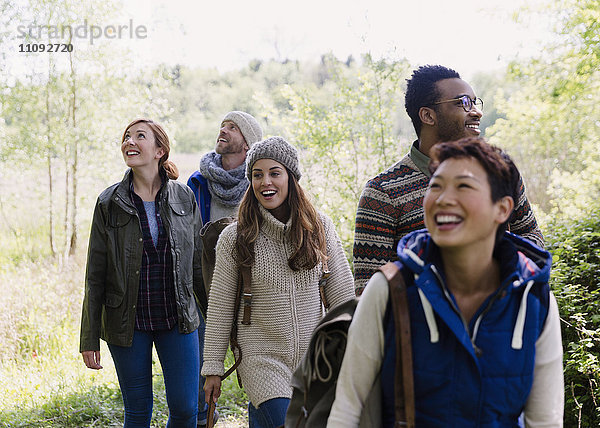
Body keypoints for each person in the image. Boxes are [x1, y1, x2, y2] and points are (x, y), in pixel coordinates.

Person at [328, 137, 564, 427]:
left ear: (502, 209)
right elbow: (348, 409)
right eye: (435, 186)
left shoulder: (533, 300)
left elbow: (545, 421)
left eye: (463, 186)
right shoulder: (391, 289)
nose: (443, 199)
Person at [202, 136, 355, 428]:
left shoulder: (320, 227)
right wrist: (213, 368)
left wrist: (356, 351)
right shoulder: (235, 238)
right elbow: (220, 307)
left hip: (314, 361)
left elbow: (343, 297)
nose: (265, 182)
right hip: (261, 360)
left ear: (291, 177)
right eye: (257, 175)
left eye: (274, 173)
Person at [353, 65, 544, 295]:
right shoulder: (382, 192)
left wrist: (488, 260)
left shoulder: (500, 173)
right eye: (463, 102)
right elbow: (367, 290)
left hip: (498, 319)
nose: (476, 112)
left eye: (475, 102)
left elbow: (533, 239)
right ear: (428, 115)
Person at [80, 119, 205, 428]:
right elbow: (95, 274)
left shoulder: (184, 197)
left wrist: (217, 326)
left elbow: (199, 266)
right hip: (127, 323)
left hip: (178, 319)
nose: (129, 142)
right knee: (137, 413)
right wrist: (89, 337)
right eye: (126, 137)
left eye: (139, 136)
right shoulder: (109, 203)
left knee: (187, 410)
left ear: (160, 150)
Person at [187, 110, 263, 427]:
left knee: (257, 361)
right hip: (204, 284)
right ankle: (202, 416)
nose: (224, 130)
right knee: (200, 360)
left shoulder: (261, 181)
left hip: (251, 286)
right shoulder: (198, 183)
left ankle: (263, 414)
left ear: (247, 143)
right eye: (222, 125)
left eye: (232, 128)